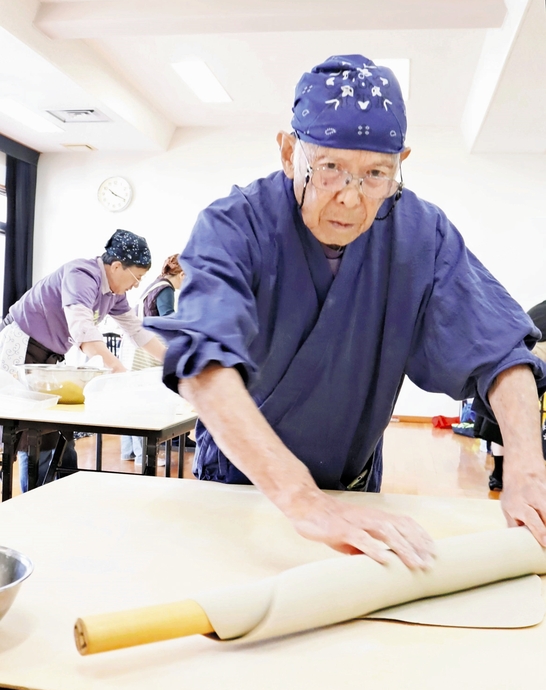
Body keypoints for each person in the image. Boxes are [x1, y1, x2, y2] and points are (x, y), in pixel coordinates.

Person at [147, 54, 546, 569]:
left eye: (376, 174)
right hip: (241, 490)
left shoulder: (420, 234)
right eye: (330, 168)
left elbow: (501, 350)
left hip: (356, 492)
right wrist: (301, 498)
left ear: (400, 162)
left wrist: (527, 469)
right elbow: (204, 366)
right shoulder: (235, 227)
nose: (352, 200)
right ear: (289, 151)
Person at [0, 229, 166, 491]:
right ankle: (31, 501)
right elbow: (82, 332)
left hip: (48, 357)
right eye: (137, 277)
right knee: (22, 430)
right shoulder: (81, 275)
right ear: (117, 266)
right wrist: (120, 373)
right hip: (21, 347)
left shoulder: (114, 294)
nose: (136, 285)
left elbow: (137, 331)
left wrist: (173, 362)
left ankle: (53, 495)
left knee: (49, 429)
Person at [120, 253, 186, 466]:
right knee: (146, 400)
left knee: (132, 399)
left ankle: (129, 451)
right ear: (183, 274)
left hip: (134, 345)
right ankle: (145, 456)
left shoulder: (154, 285)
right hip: (146, 348)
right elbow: (168, 320)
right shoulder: (166, 289)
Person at [479, 299, 546, 491]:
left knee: (502, 413)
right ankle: (505, 475)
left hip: (512, 356)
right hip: (531, 358)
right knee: (515, 412)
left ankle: (499, 474)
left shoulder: (538, 308)